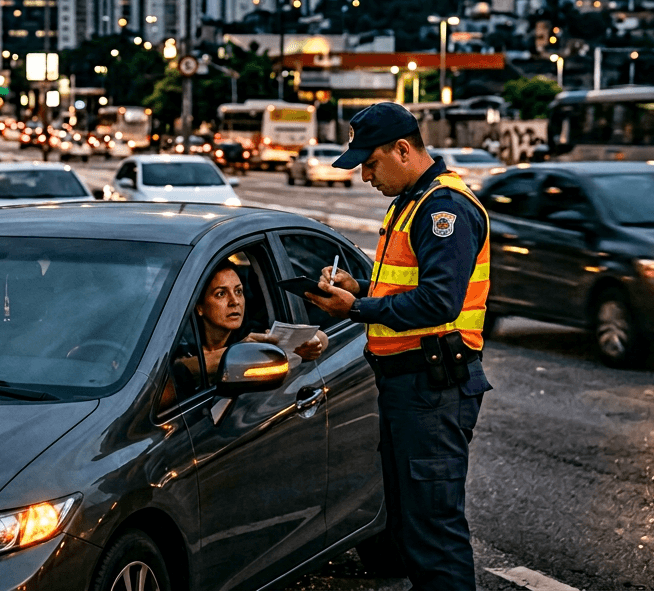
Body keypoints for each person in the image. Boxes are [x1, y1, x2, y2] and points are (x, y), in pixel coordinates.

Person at [303, 102, 493, 591]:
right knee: (412, 526)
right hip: (409, 387)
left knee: (434, 531)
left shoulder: (443, 208)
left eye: (370, 163)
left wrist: (356, 309)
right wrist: (359, 286)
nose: (365, 175)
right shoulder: (410, 202)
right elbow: (404, 288)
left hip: (432, 388)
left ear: (403, 149)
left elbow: (439, 302)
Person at [183, 261, 325, 381]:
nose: (235, 302)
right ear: (199, 306)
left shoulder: (254, 334)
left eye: (238, 292)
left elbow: (322, 338)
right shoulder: (181, 345)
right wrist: (239, 353)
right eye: (221, 294)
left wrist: (310, 341)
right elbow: (176, 371)